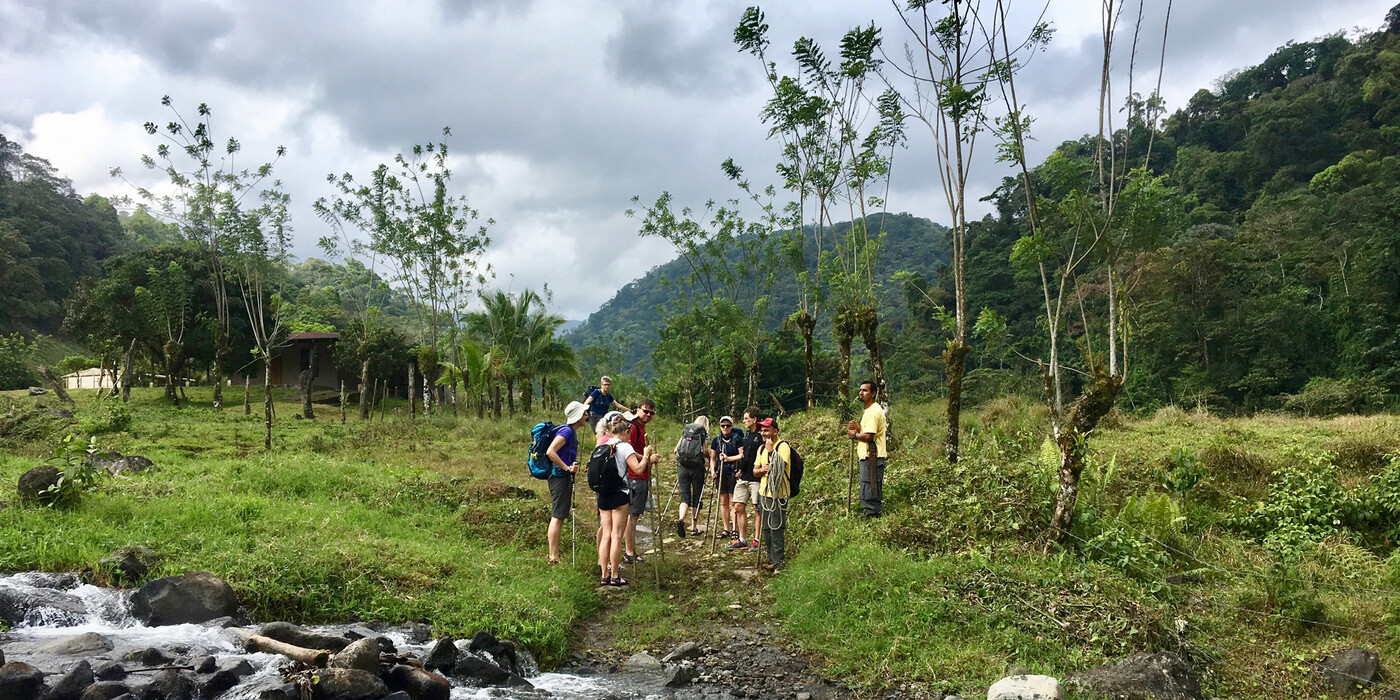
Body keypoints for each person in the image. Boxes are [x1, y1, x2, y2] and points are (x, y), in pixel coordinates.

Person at [597, 413, 651, 587]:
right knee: (616, 535)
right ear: (627, 431)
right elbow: (638, 467)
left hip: (603, 493)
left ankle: (604, 574)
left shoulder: (604, 444)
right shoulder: (625, 447)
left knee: (606, 535)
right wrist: (647, 456)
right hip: (619, 494)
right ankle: (614, 575)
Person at [545, 401, 588, 565]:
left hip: (561, 477)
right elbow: (551, 451)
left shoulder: (570, 431)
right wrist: (567, 468)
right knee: (557, 515)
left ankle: (554, 554)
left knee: (560, 514)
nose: (587, 416)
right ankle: (553, 556)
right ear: (577, 416)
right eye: (584, 413)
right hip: (559, 477)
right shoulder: (566, 431)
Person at [753, 417, 793, 572]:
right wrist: (763, 470)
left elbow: (779, 468)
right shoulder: (761, 448)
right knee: (766, 529)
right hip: (764, 493)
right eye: (761, 430)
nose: (763, 433)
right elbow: (755, 471)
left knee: (776, 528)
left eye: (766, 430)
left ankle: (779, 564)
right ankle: (772, 559)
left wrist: (771, 452)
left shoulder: (782, 447)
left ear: (775, 431)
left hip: (778, 494)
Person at [624, 398, 660, 563]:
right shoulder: (633, 427)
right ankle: (629, 552)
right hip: (635, 475)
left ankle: (629, 550)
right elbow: (628, 450)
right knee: (633, 515)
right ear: (637, 409)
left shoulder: (640, 427)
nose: (648, 415)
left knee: (634, 514)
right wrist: (647, 457)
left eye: (651, 413)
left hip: (641, 474)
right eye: (645, 411)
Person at [847, 379, 887, 518]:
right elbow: (869, 432)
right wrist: (859, 429)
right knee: (869, 485)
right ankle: (871, 515)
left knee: (869, 486)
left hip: (872, 456)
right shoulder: (869, 410)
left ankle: (872, 517)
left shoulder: (873, 412)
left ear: (873, 393)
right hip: (869, 456)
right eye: (860, 390)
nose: (861, 393)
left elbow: (869, 437)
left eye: (865, 390)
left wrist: (854, 435)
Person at [727, 406, 764, 551]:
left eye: (746, 418)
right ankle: (742, 539)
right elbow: (746, 455)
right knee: (737, 506)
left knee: (757, 509)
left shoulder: (761, 435)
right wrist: (740, 469)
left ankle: (757, 539)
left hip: (756, 478)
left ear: (754, 419)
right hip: (744, 476)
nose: (744, 421)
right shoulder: (748, 434)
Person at [672, 415, 712, 537]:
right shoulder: (703, 434)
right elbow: (704, 451)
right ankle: (694, 528)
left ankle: (681, 519)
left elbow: (676, 450)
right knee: (697, 496)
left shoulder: (687, 432)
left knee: (684, 496)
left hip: (682, 467)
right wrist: (709, 458)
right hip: (697, 468)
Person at [711, 416, 744, 539]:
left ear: (731, 426)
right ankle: (726, 529)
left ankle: (735, 528)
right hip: (720, 473)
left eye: (727, 425)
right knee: (723, 501)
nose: (725, 428)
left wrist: (730, 460)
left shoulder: (737, 439)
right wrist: (712, 470)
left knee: (733, 501)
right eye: (723, 425)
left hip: (733, 473)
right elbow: (712, 458)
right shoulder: (716, 440)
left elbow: (742, 455)